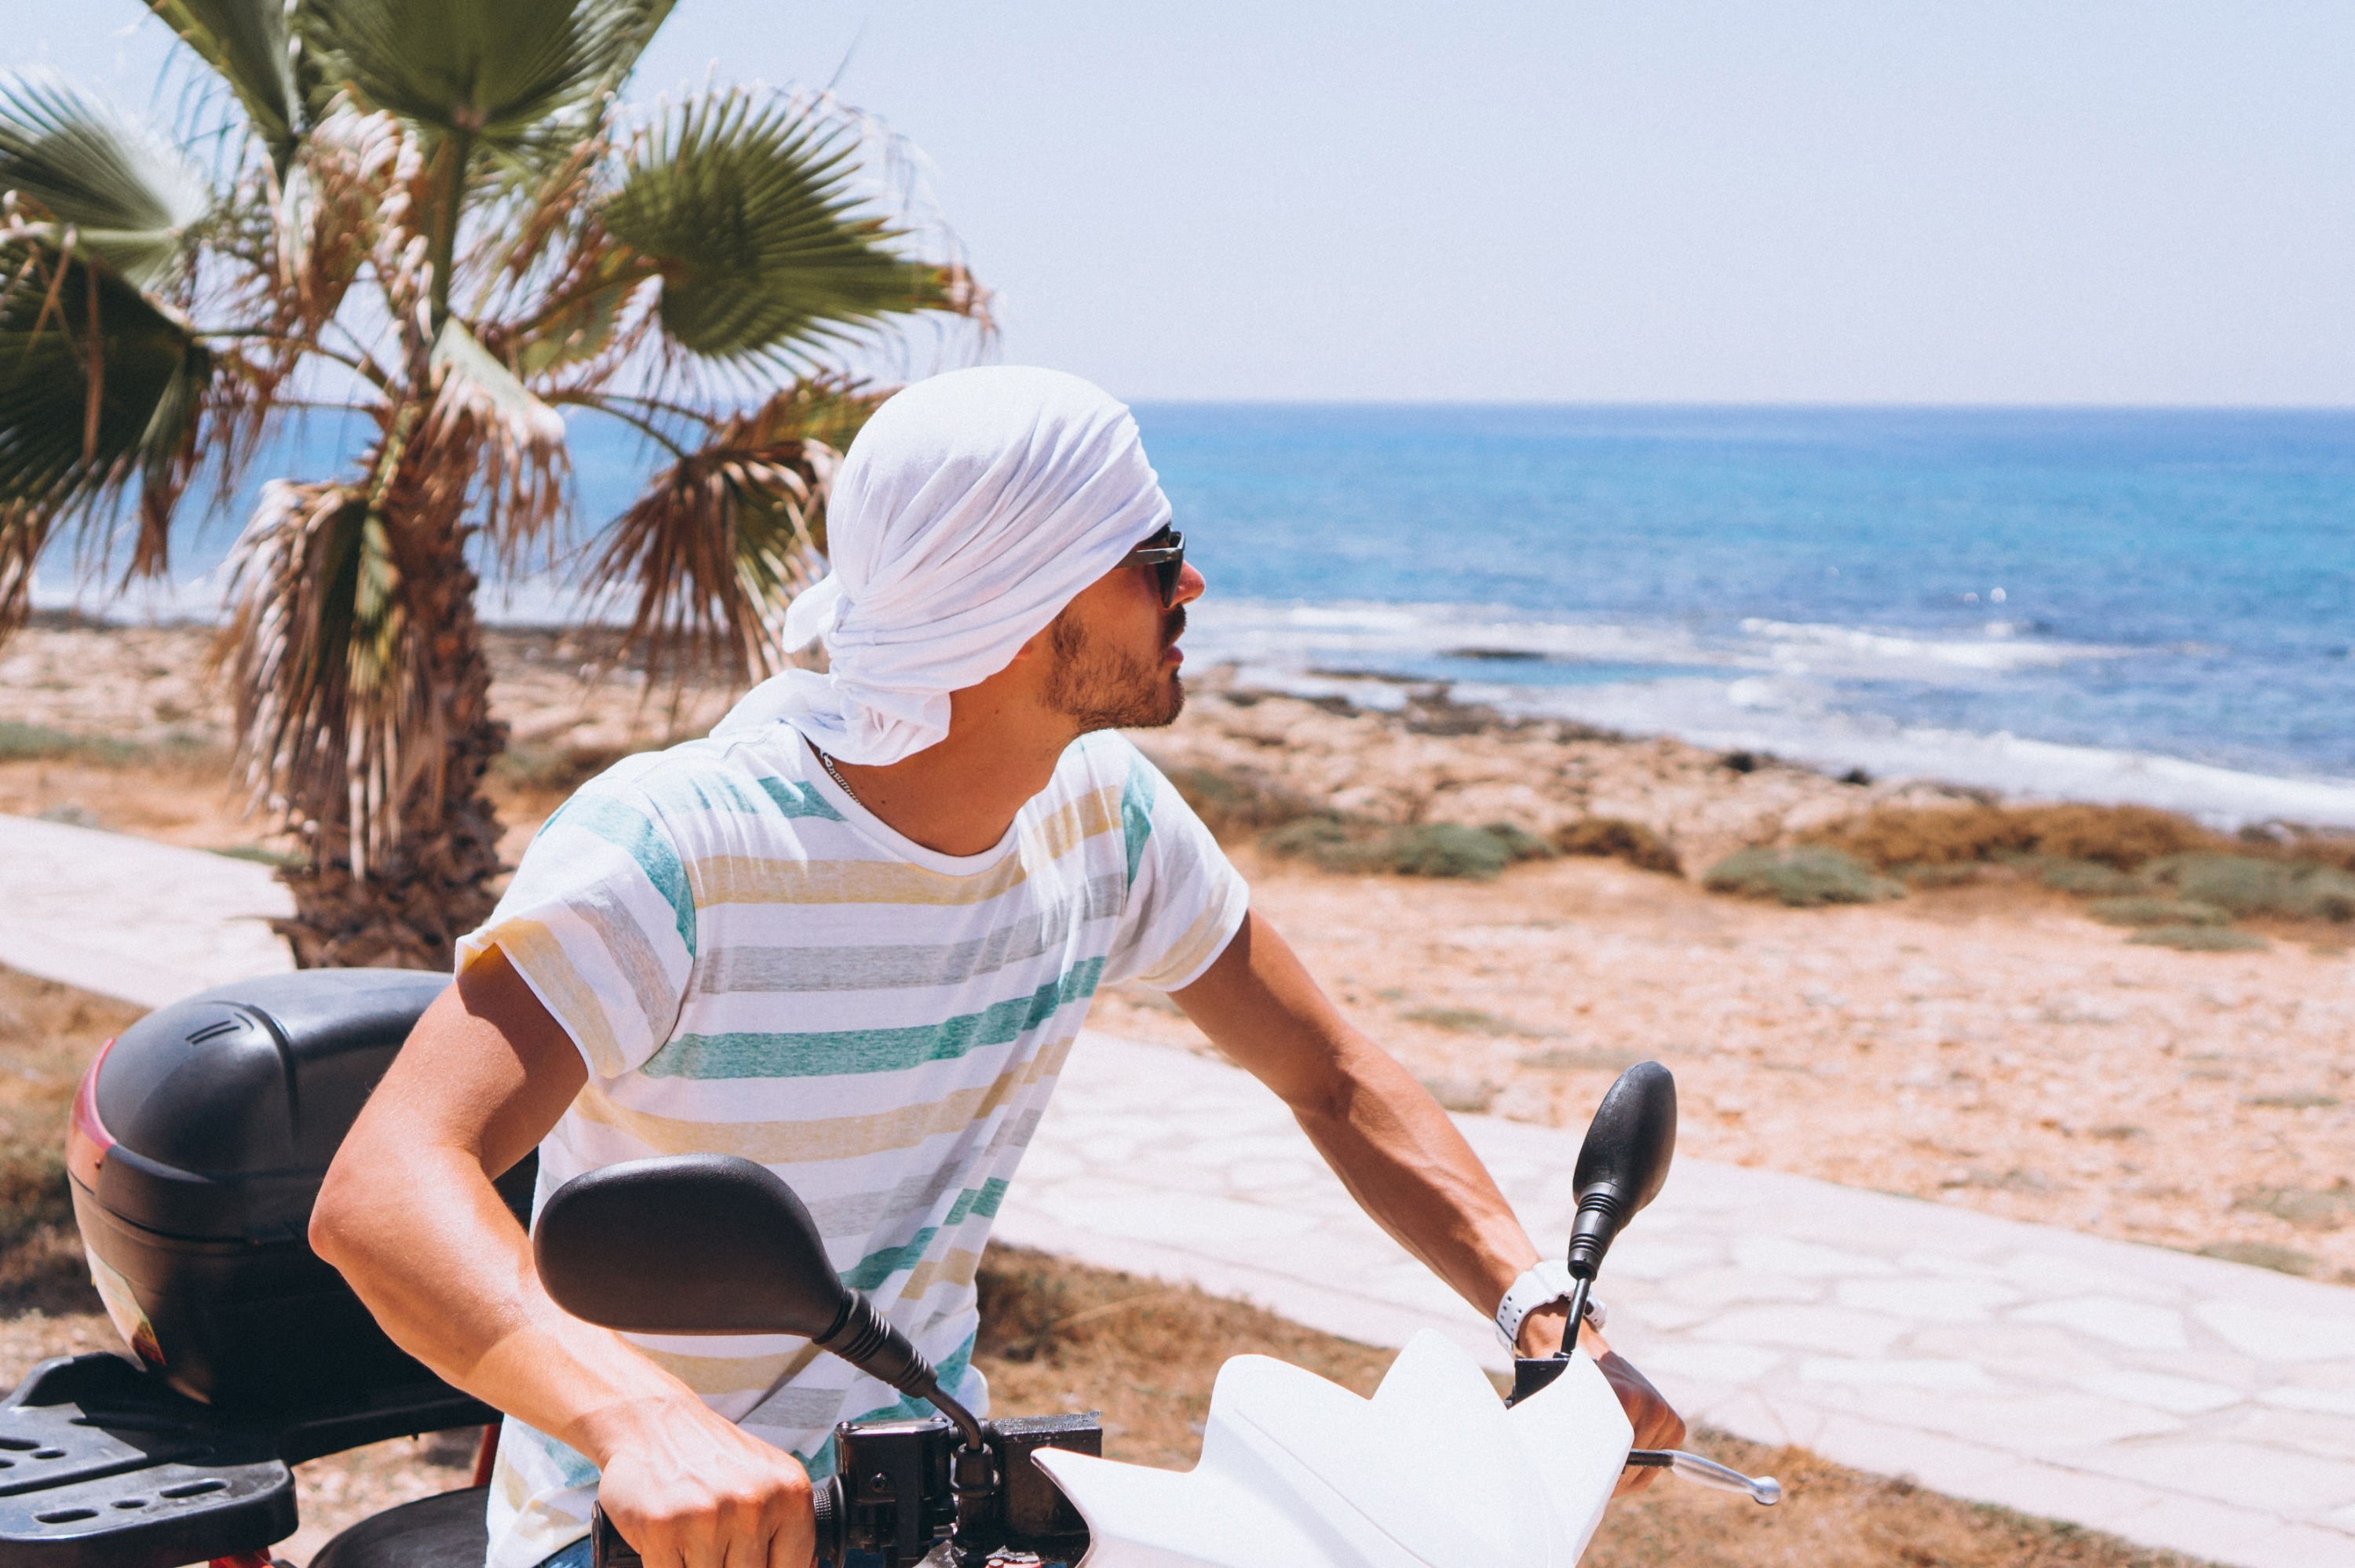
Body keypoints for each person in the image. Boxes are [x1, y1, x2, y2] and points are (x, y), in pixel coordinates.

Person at [312, 366, 1684, 1568]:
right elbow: (384, 1192)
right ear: (1028, 603)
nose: (1190, 585)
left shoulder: (1105, 816)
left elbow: (1329, 1074)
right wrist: (644, 1423)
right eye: (1156, 554)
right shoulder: (681, 849)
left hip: (935, 1499)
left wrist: (1542, 1309)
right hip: (652, 1533)